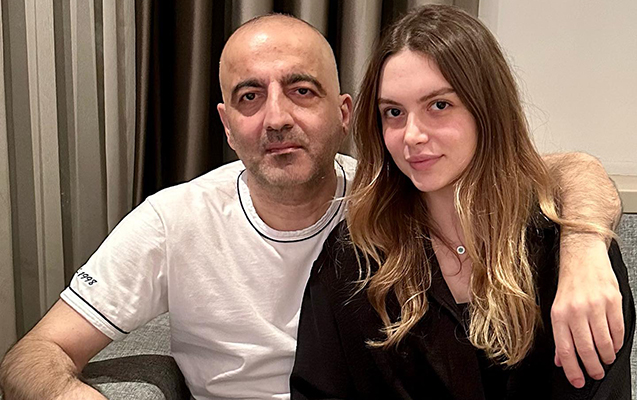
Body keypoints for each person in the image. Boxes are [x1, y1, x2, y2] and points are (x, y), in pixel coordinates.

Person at [0, 13, 626, 400]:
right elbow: (34, 353)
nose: (276, 118)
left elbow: (552, 171)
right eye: (249, 97)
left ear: (344, 113)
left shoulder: (387, 203)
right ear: (225, 124)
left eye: (301, 90)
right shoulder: (172, 221)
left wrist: (583, 245)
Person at [290, 5, 634, 400]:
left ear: (486, 109)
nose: (412, 135)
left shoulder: (568, 256)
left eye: (439, 105)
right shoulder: (354, 259)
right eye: (394, 112)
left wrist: (585, 247)